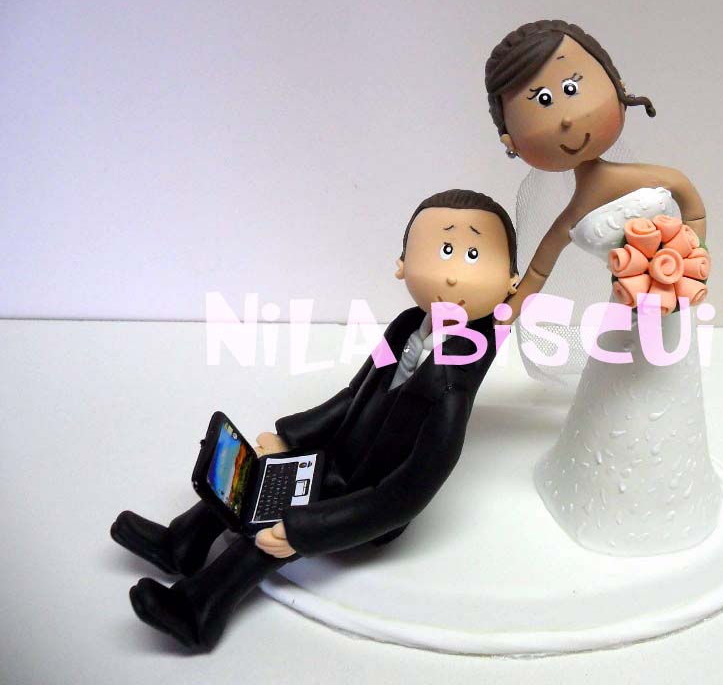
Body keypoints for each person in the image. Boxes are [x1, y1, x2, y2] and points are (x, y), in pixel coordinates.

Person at [111, 189, 519, 650]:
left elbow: (406, 493)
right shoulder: (406, 326)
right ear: (402, 263)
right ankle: (182, 544)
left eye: (472, 255)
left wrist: (308, 531)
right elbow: (353, 394)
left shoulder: (453, 383)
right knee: (253, 473)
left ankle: (199, 611)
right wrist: (292, 437)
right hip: (337, 458)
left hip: (366, 501)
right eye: (443, 251)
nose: (452, 273)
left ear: (510, 281)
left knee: (270, 528)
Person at [483, 20, 723, 556]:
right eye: (541, 102)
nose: (566, 116)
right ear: (511, 142)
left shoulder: (654, 176)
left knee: (668, 396)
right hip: (624, 319)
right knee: (617, 403)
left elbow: (692, 204)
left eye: (572, 87)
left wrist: (693, 254)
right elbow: (539, 271)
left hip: (673, 308)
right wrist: (507, 310)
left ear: (616, 87)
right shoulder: (572, 213)